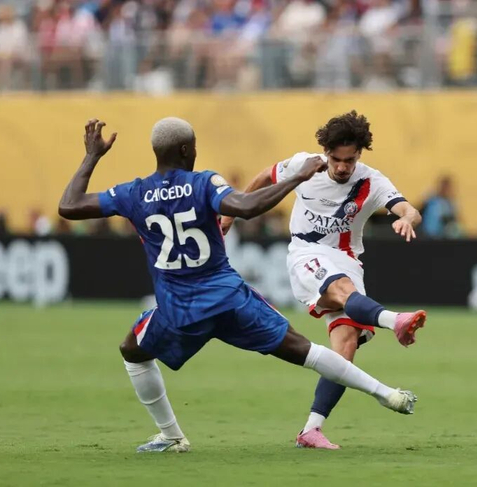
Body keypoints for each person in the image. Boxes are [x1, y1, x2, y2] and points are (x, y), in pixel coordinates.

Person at [58, 117, 417, 453]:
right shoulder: (203, 183)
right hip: (229, 299)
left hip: (178, 310)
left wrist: (91, 157)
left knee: (133, 352)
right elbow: (245, 206)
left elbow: (69, 206)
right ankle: (386, 393)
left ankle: (171, 435)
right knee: (306, 351)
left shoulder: (134, 193)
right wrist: (295, 179)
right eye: (194, 146)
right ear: (186, 150)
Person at [223, 111, 425, 449]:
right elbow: (266, 175)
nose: (343, 167)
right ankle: (396, 321)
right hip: (306, 254)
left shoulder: (371, 181)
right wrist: (231, 214)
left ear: (359, 154)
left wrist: (407, 220)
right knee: (342, 290)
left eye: (350, 160)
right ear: (326, 152)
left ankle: (311, 430)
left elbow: (409, 209)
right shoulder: (305, 166)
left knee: (344, 350)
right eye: (336, 159)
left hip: (347, 260)